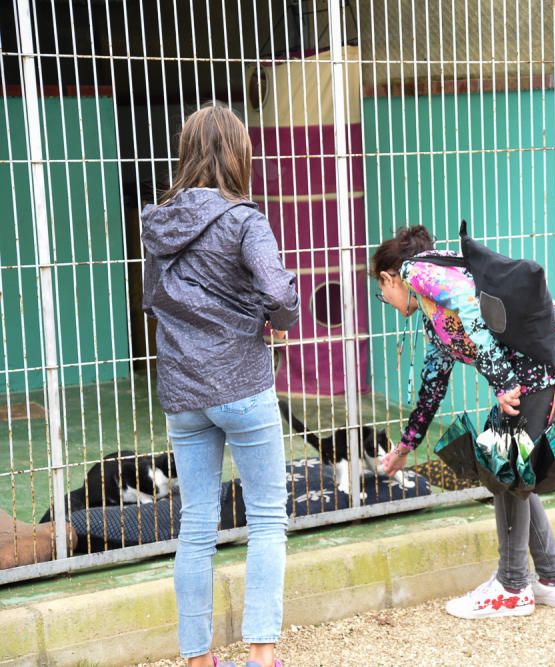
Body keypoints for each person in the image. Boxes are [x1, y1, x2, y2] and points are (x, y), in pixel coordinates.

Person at [373, 225, 555, 619]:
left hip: (552, 365)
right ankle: (552, 579)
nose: (388, 300)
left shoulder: (417, 271)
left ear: (388, 278)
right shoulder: (433, 318)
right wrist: (405, 447)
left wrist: (502, 380)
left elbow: (469, 305)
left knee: (504, 465)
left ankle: (512, 588)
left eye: (382, 293)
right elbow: (432, 385)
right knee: (510, 467)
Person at [142, 105, 299, 667]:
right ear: (239, 153)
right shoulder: (244, 219)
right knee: (265, 519)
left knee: (197, 524)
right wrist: (269, 319)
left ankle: (197, 659)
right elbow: (279, 294)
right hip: (242, 384)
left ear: (187, 152)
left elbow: (152, 301)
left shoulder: (156, 221)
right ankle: (261, 657)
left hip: (184, 394)